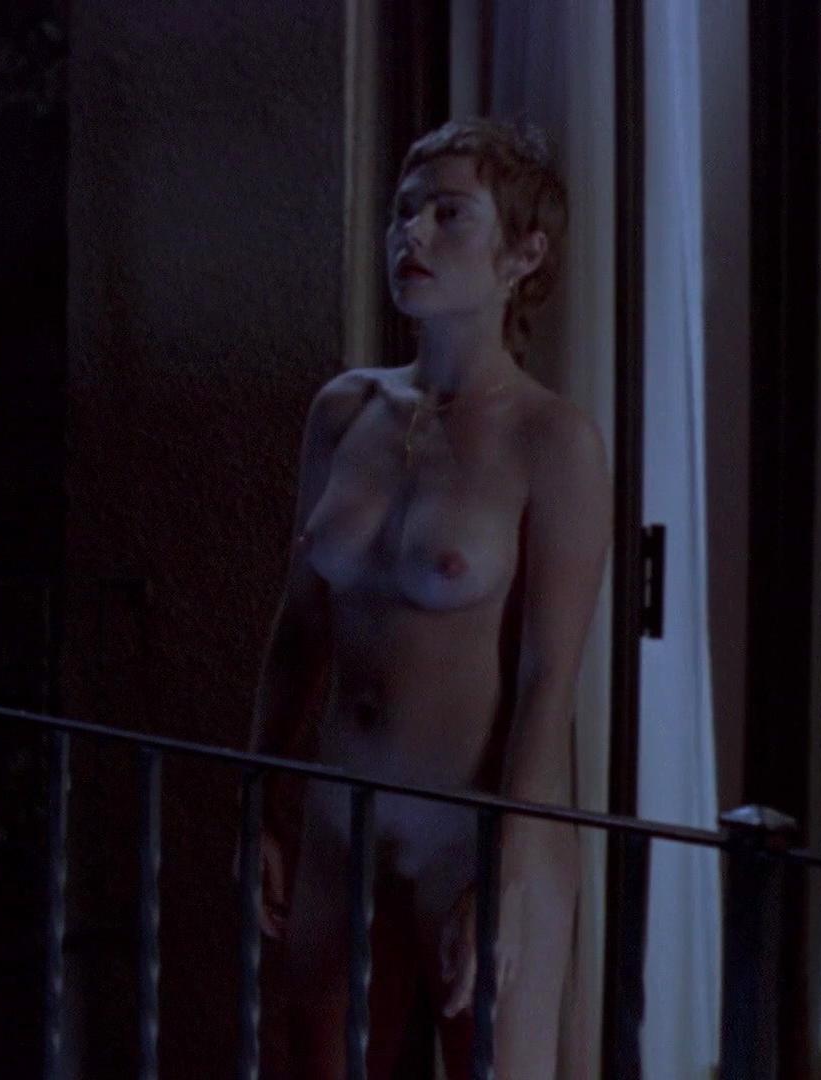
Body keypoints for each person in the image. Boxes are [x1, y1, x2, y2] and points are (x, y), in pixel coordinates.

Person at [246, 118, 610, 1078]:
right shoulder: (345, 409)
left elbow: (547, 680)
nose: (413, 234)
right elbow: (300, 624)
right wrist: (262, 800)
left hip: (474, 827)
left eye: (450, 214)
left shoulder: (552, 441)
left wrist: (511, 870)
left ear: (523, 254)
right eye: (404, 212)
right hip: (342, 816)